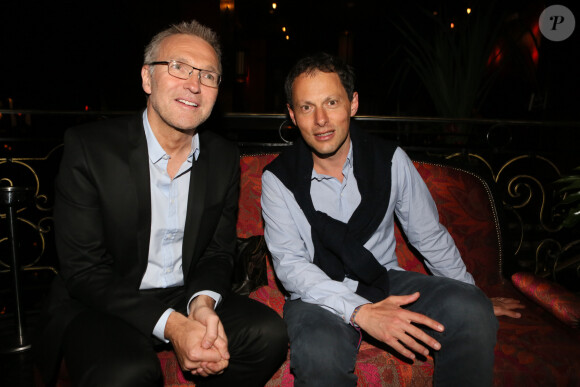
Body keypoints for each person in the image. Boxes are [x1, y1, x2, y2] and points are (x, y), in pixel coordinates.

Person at [34, 20, 288, 387]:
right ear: (147, 79)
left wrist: (201, 305)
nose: (194, 84)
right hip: (106, 300)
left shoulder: (222, 156)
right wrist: (172, 324)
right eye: (179, 67)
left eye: (209, 75)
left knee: (268, 334)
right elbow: (85, 271)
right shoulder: (90, 150)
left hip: (184, 291)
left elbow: (218, 253)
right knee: (127, 373)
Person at [261, 52, 524, 386]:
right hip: (318, 294)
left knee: (470, 308)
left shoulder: (390, 160)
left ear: (353, 103)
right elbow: (292, 267)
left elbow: (428, 235)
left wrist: (473, 295)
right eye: (306, 107)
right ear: (292, 115)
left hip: (383, 280)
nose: (321, 120)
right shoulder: (278, 178)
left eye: (331, 102)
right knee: (319, 354)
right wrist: (360, 312)